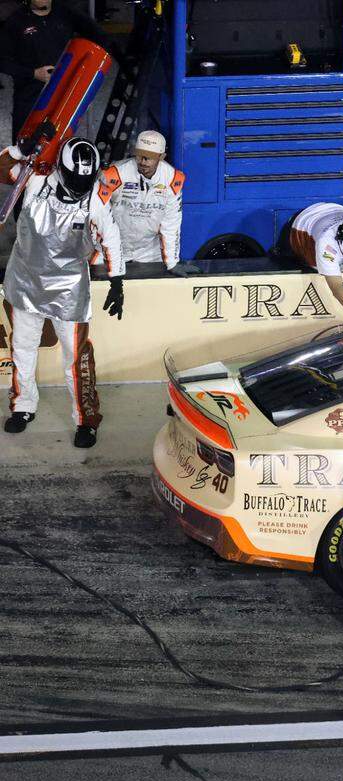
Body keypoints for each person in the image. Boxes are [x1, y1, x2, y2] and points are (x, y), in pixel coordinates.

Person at [1, 136, 123, 448]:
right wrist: (19, 149)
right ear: (61, 169)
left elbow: (111, 238)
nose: (80, 184)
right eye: (74, 179)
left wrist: (116, 280)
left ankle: (86, 419)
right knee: (23, 349)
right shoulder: (35, 178)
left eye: (86, 179)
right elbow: (1, 170)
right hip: (25, 283)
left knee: (77, 358)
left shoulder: (95, 198)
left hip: (69, 290)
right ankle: (23, 406)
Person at [0, 0, 111, 141]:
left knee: (68, 145)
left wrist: (85, 69)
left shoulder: (65, 12)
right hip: (31, 96)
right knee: (23, 146)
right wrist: (33, 73)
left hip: (66, 93)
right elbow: (3, 63)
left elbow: (100, 37)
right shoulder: (15, 21)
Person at [98, 130, 191, 277]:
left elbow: (171, 223)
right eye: (140, 155)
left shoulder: (173, 180)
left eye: (150, 157)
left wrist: (172, 262)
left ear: (162, 157)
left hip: (149, 251)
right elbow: (97, 216)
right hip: (112, 246)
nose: (143, 161)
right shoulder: (113, 175)